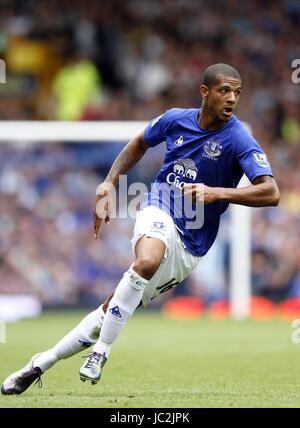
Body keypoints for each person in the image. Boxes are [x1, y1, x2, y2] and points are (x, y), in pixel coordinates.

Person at [1, 63, 280, 395]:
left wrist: (219, 192)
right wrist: (108, 183)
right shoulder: (176, 119)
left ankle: (39, 363)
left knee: (111, 310)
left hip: (191, 245)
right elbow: (138, 143)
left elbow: (271, 191)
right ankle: (101, 352)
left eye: (237, 92)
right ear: (205, 92)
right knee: (146, 261)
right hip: (159, 206)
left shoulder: (238, 138)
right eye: (224, 90)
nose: (232, 98)